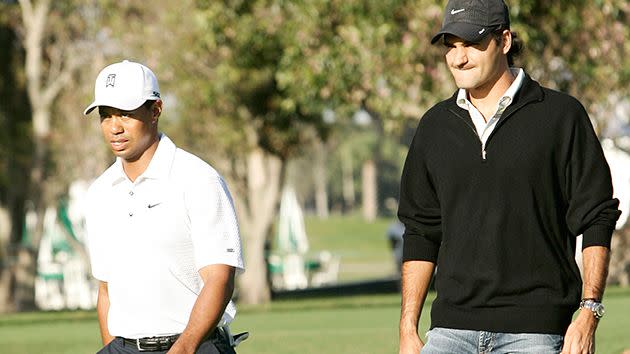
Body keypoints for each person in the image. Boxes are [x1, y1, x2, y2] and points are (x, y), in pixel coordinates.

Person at [397, 1, 621, 353]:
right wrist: (408, 328)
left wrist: (589, 311)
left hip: (536, 332)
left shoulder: (561, 116)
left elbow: (596, 217)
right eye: (451, 46)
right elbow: (421, 230)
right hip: (450, 331)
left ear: (504, 41)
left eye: (471, 43)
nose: (459, 58)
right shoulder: (434, 127)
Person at [83, 60, 246, 354]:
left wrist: (183, 349)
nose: (114, 127)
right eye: (106, 116)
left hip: (195, 346)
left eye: (126, 114)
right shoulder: (98, 194)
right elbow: (106, 290)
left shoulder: (198, 179)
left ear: (155, 110)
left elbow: (220, 277)